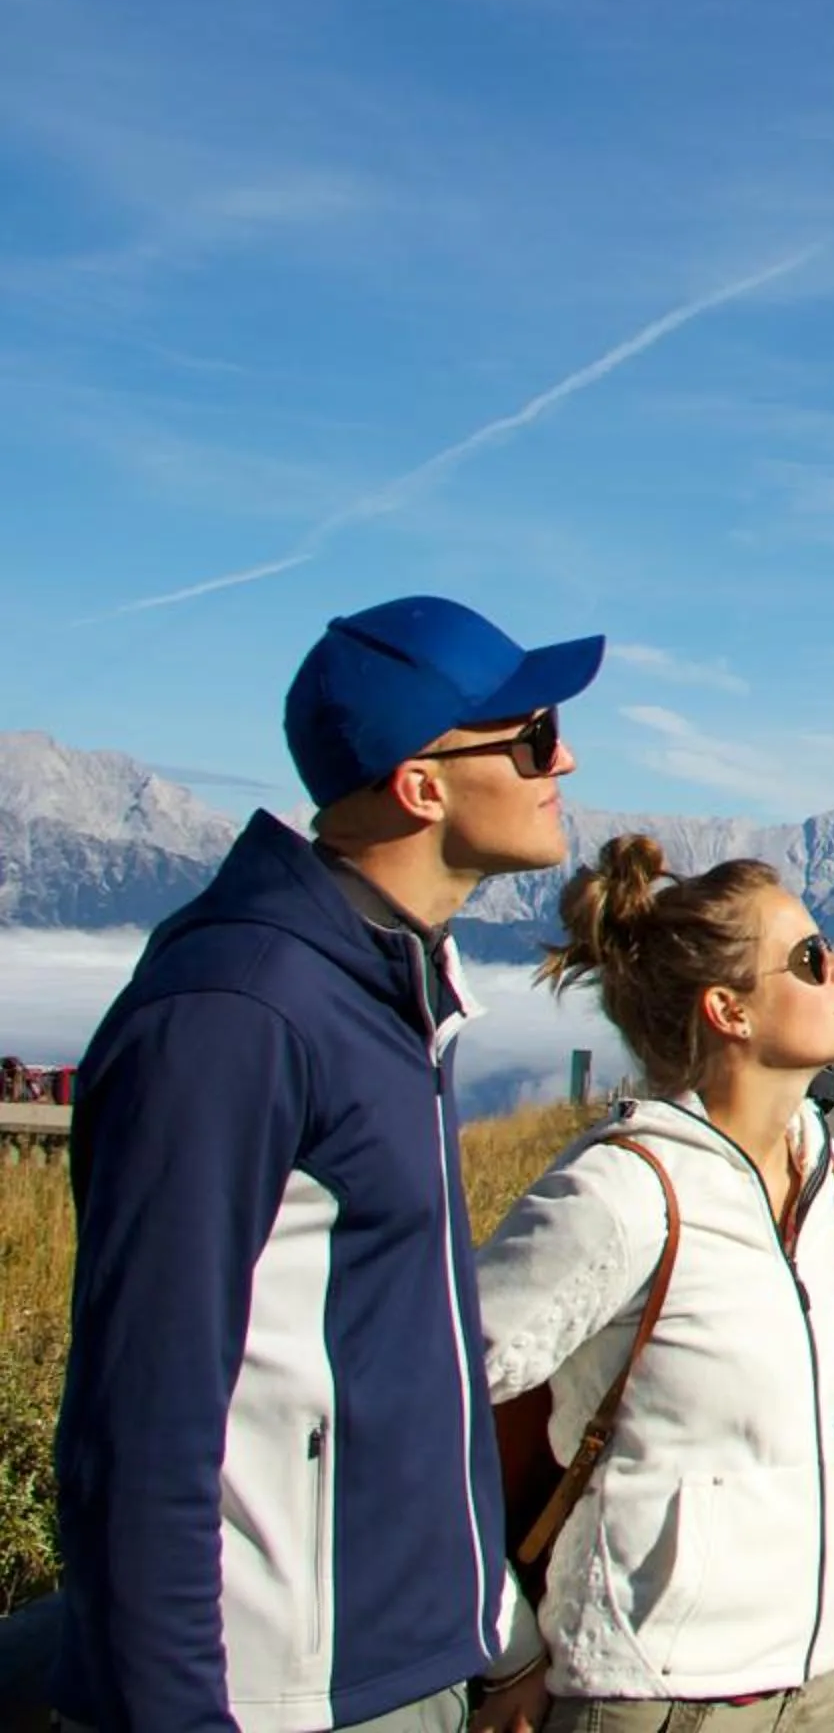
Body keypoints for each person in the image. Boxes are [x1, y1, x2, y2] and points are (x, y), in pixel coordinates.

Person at [53, 596, 603, 1733]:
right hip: (286, 1695)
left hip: (402, 1663)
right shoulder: (237, 1011)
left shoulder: (385, 985)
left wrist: (490, 1626)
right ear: (424, 784)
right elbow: (139, 1423)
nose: (567, 758)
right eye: (536, 734)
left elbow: (404, 1363)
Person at [469, 836, 834, 1733]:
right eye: (809, 957)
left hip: (807, 1676)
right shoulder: (623, 1193)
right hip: (652, 1693)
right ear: (729, 1009)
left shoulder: (825, 1180)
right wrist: (507, 1644)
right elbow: (420, 1401)